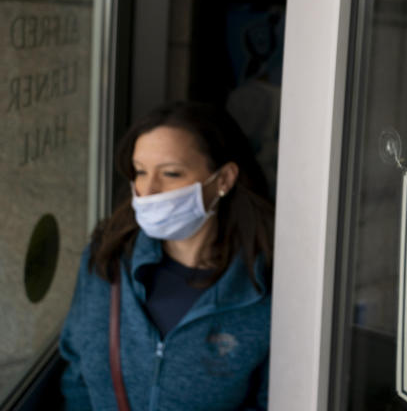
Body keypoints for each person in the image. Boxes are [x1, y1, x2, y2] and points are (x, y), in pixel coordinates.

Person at [60, 101, 274, 411]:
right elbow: (76, 373)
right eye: (140, 172)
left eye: (171, 173)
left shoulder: (262, 287)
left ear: (224, 179)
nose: (148, 190)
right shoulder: (107, 259)